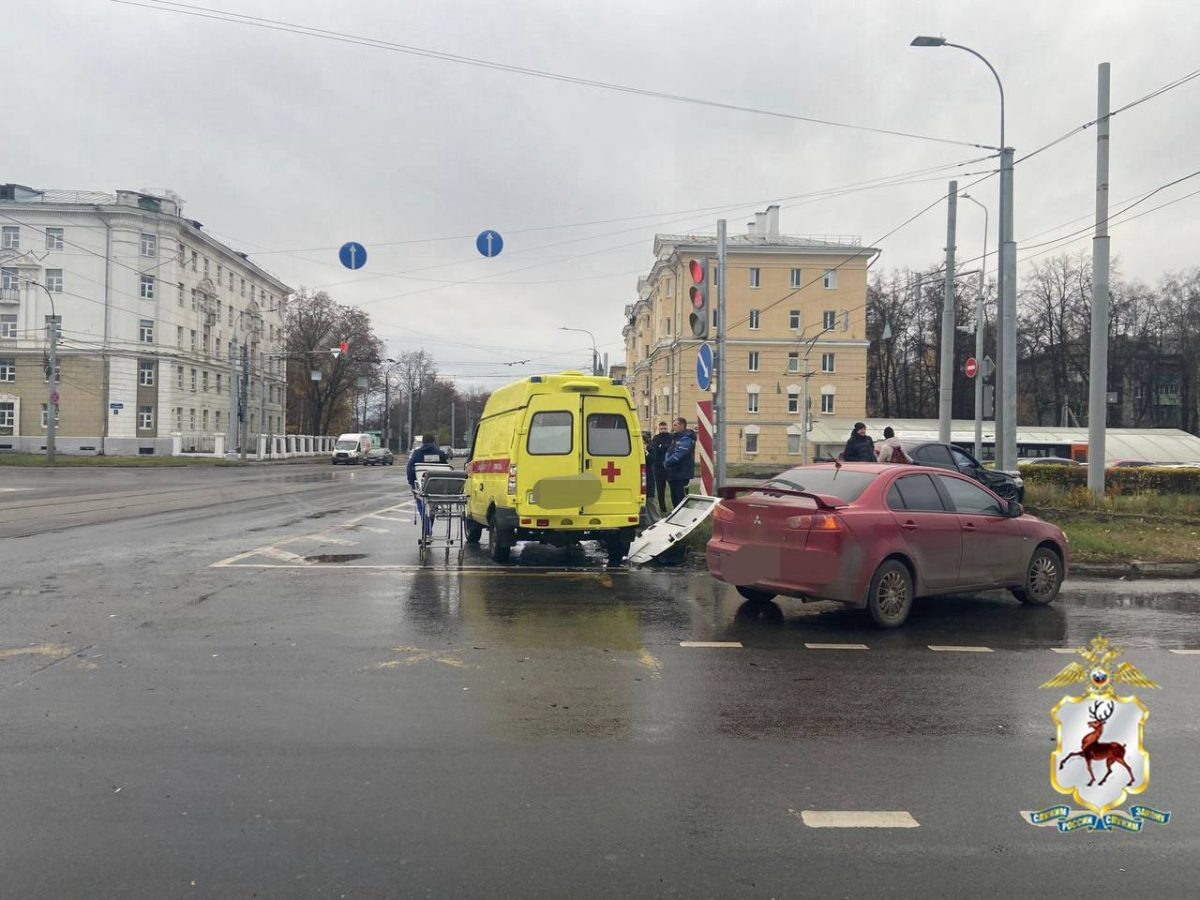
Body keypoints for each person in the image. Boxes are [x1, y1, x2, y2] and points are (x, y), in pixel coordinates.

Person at [407, 434, 449, 536]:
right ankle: (429, 525)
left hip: (421, 486)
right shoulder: (440, 454)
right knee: (432, 506)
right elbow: (446, 470)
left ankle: (427, 527)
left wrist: (412, 483)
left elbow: (409, 469)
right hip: (436, 488)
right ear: (434, 442)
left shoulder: (417, 454)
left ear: (423, 442)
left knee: (421, 503)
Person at [662, 416, 696, 509]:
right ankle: (676, 512)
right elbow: (670, 451)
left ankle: (682, 513)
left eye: (675, 425)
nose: (674, 427)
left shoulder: (687, 437)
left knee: (680, 496)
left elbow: (680, 454)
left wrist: (667, 463)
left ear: (682, 425)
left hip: (681, 471)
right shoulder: (675, 437)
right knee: (674, 496)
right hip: (672, 471)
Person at [649, 421, 673, 511]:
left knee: (673, 488)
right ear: (658, 429)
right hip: (658, 467)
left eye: (665, 428)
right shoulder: (656, 438)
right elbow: (653, 448)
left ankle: (675, 507)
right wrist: (663, 447)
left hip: (670, 467)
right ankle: (663, 508)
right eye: (662, 429)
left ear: (668, 428)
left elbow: (671, 448)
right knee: (660, 489)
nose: (663, 430)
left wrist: (661, 446)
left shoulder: (671, 437)